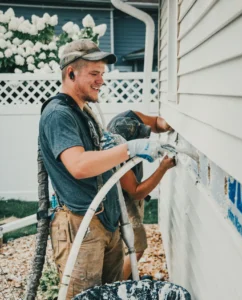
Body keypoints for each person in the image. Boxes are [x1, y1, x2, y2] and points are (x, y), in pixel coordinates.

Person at [38, 39, 166, 299]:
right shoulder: (58, 114)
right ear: (71, 73)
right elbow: (78, 166)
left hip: (104, 221)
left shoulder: (83, 112)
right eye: (94, 74)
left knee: (110, 293)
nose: (101, 81)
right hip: (80, 225)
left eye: (102, 74)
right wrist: (129, 149)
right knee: (83, 295)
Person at [105, 110, 175, 279]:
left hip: (130, 191)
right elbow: (136, 192)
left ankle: (127, 276)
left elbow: (157, 122)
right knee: (137, 246)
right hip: (121, 197)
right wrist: (163, 168)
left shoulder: (129, 116)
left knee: (126, 246)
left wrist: (169, 124)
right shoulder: (116, 151)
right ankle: (117, 288)